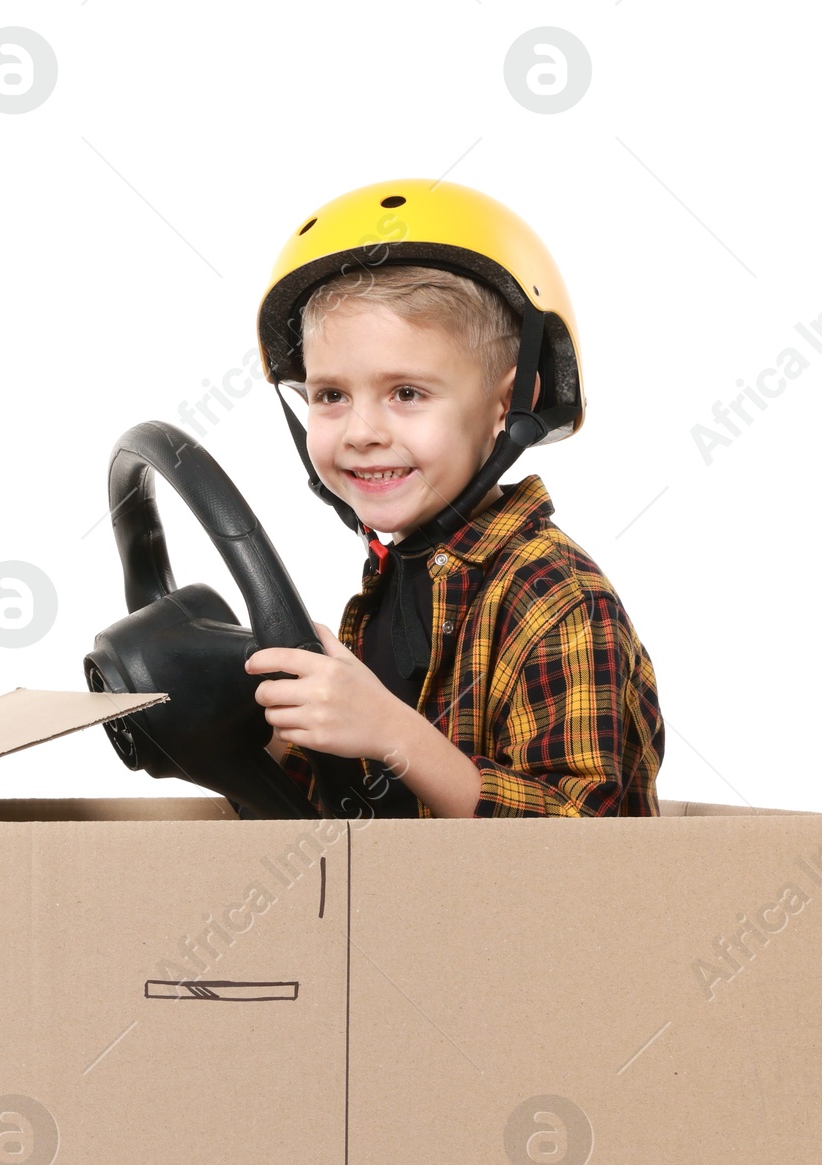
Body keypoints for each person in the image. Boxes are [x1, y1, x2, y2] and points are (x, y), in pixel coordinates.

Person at [244, 180, 664, 819]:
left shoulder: (555, 598)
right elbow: (349, 806)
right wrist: (267, 738)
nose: (362, 432)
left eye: (407, 393)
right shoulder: (393, 587)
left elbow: (587, 855)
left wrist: (394, 733)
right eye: (330, 395)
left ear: (506, 403)